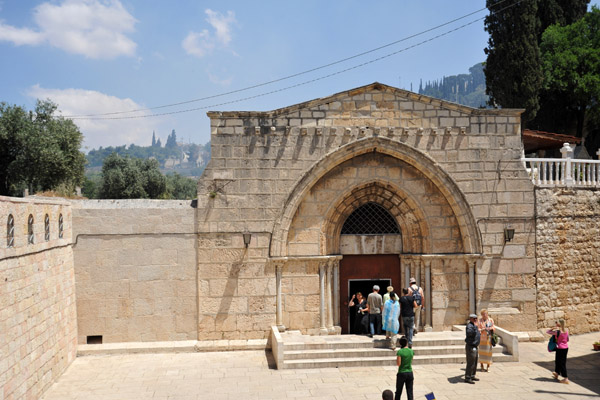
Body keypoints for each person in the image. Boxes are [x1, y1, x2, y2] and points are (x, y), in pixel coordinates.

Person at [547, 319, 569, 384]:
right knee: (558, 361)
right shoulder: (566, 331)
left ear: (559, 324)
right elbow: (567, 339)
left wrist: (552, 328)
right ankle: (557, 373)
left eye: (556, 323)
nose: (556, 324)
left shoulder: (558, 332)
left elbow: (548, 332)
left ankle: (565, 378)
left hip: (560, 348)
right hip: (565, 348)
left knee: (562, 363)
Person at [464, 313, 481, 384]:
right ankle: (468, 377)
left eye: (476, 318)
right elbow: (469, 333)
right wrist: (475, 329)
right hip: (471, 346)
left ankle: (472, 375)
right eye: (474, 319)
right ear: (471, 319)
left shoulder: (474, 325)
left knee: (475, 361)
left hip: (475, 346)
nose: (476, 320)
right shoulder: (469, 326)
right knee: (471, 362)